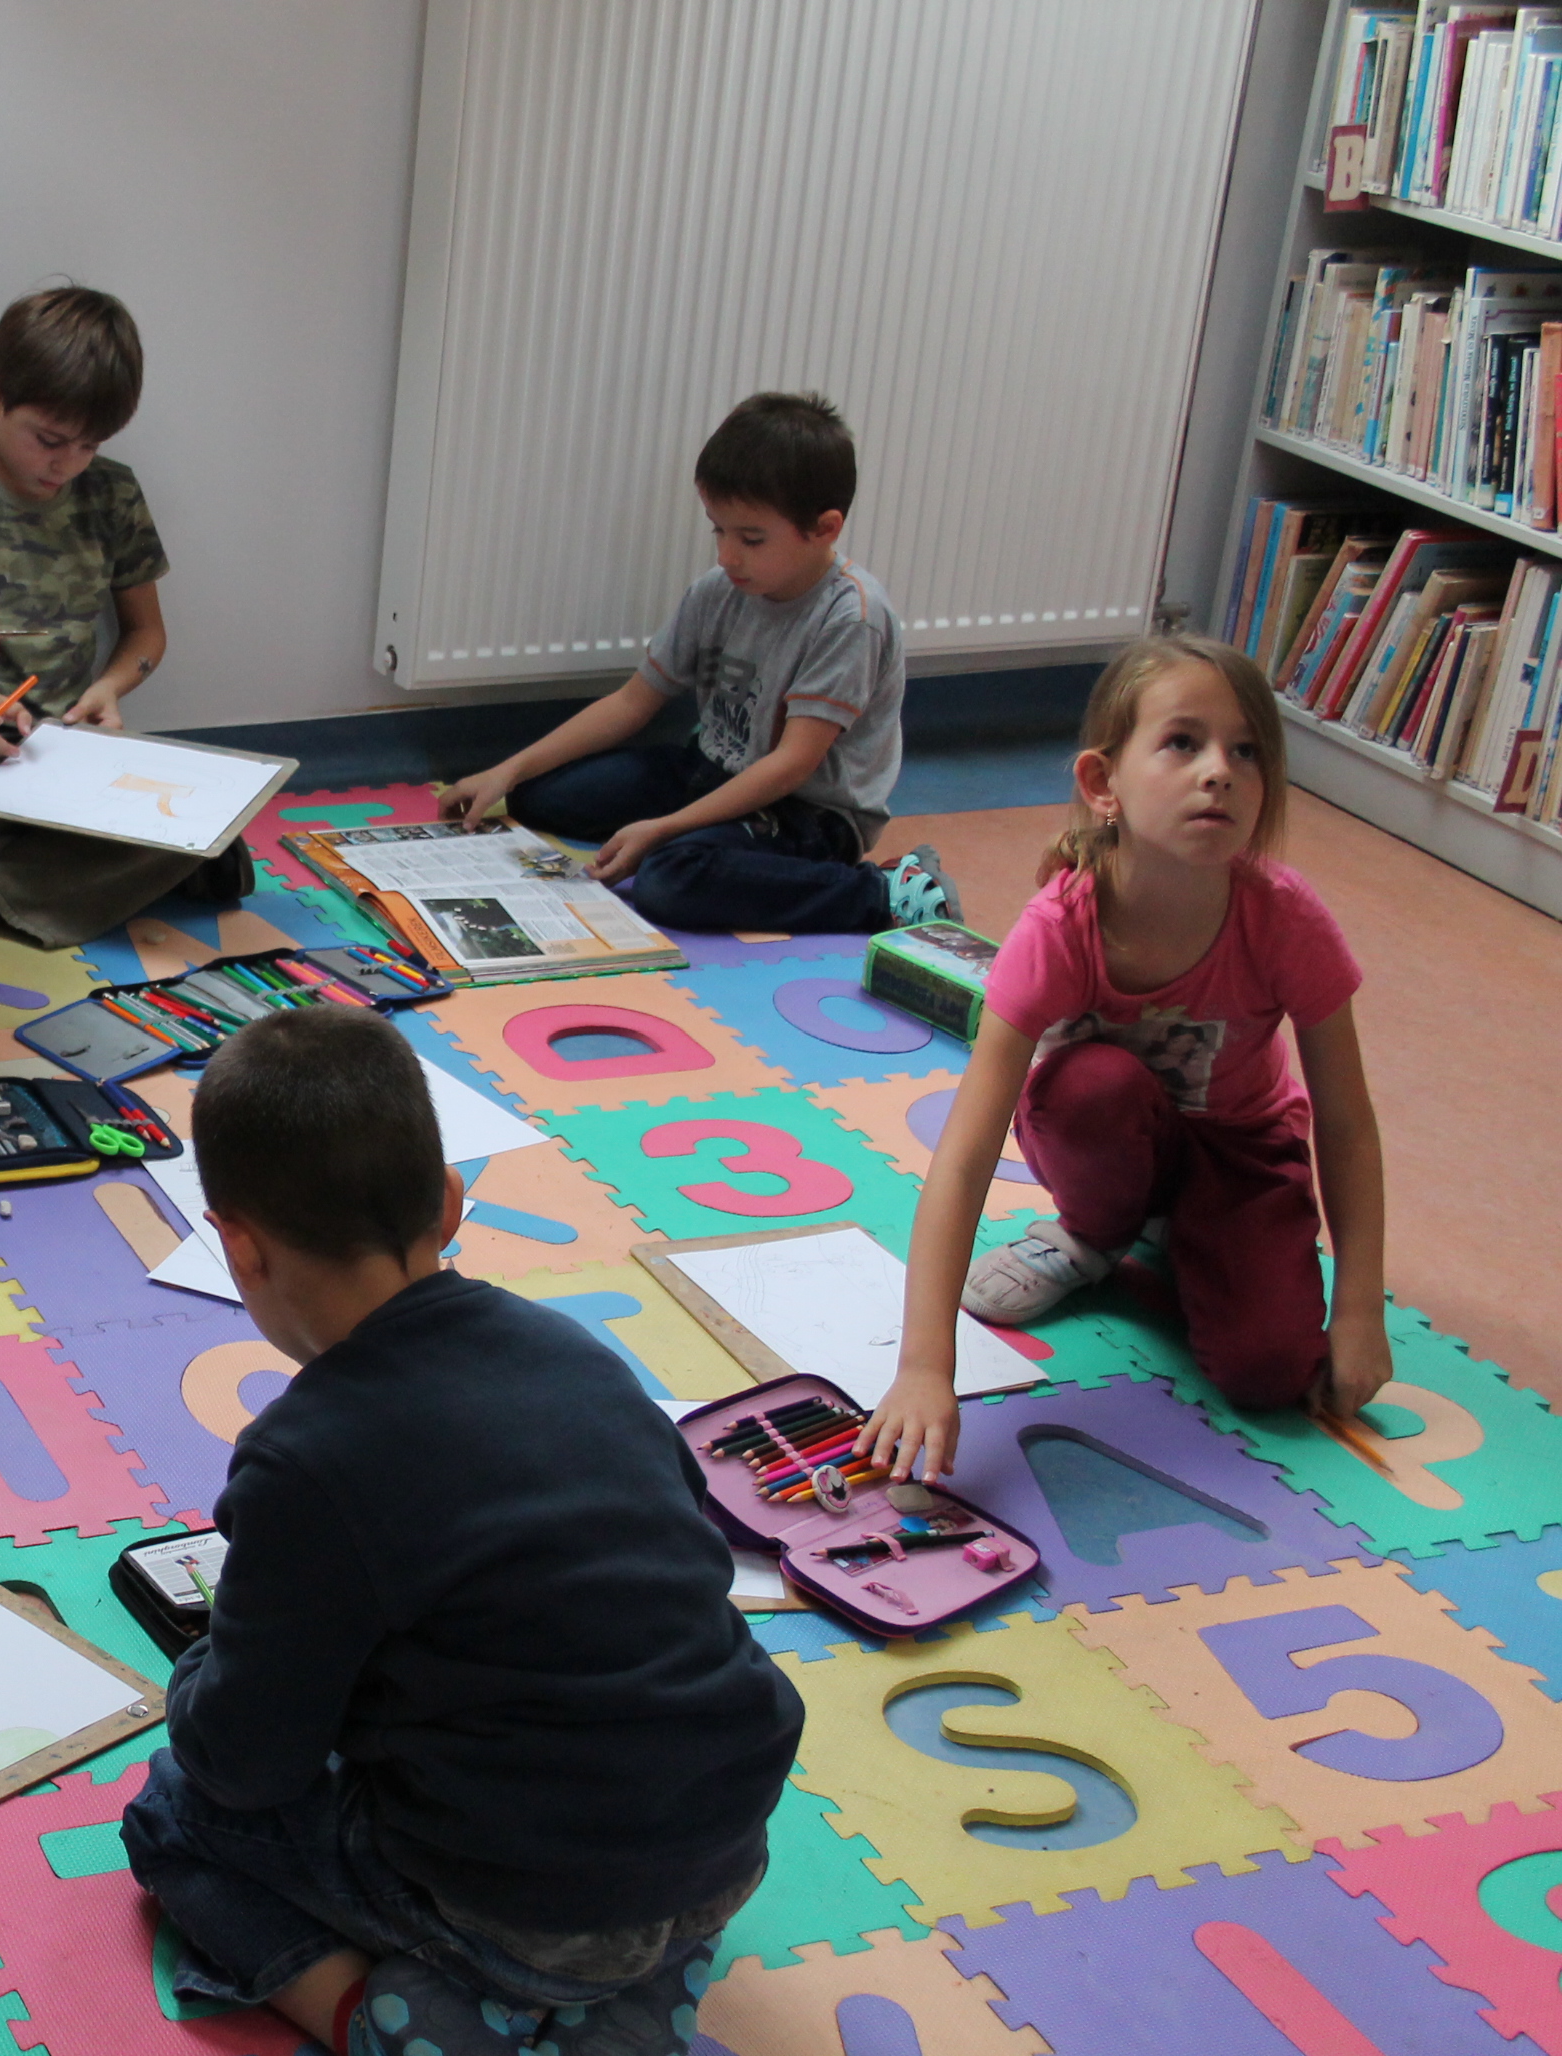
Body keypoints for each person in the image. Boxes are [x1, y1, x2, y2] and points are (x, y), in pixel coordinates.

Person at [119, 1007, 803, 2056]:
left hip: (531, 1904)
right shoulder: (574, 1351)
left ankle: (396, 2022)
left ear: (237, 1244)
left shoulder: (305, 1458)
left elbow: (243, 1764)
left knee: (171, 1814)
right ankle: (628, 2001)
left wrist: (206, 1663)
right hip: (722, 1846)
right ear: (446, 1200)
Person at [863, 634, 1388, 1481]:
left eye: (1246, 751)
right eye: (1183, 742)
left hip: (1242, 1151)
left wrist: (1360, 1309)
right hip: (1106, 1135)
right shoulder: (1061, 926)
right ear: (1103, 783)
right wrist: (925, 1367)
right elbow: (964, 1153)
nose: (1218, 771)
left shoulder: (1287, 919)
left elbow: (1347, 1121)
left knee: (1270, 1374)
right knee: (1091, 1087)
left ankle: (1183, 1235)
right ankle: (1093, 1237)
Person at [439, 391, 954, 936]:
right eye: (718, 530)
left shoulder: (851, 618)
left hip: (805, 813)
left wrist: (663, 829)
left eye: (751, 538)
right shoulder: (718, 589)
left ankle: (882, 893)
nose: (727, 555)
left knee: (669, 879)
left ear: (825, 528)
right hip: (707, 771)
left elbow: (791, 765)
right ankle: (697, 837)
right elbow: (632, 702)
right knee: (535, 796)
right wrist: (508, 770)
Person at [0, 285, 244, 970]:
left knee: (211, 803)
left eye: (89, 445)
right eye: (50, 440)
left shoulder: (112, 493)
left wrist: (110, 690)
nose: (67, 463)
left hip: (63, 753)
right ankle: (153, 864)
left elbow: (146, 635)